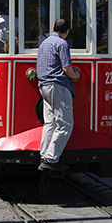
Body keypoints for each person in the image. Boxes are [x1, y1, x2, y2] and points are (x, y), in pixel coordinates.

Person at [37, 18, 80, 171]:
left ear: (53, 27)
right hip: (58, 85)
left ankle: (44, 155)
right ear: (67, 32)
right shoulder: (62, 44)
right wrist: (75, 75)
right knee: (65, 124)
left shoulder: (44, 43)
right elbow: (66, 69)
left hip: (44, 85)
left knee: (50, 123)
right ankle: (51, 158)